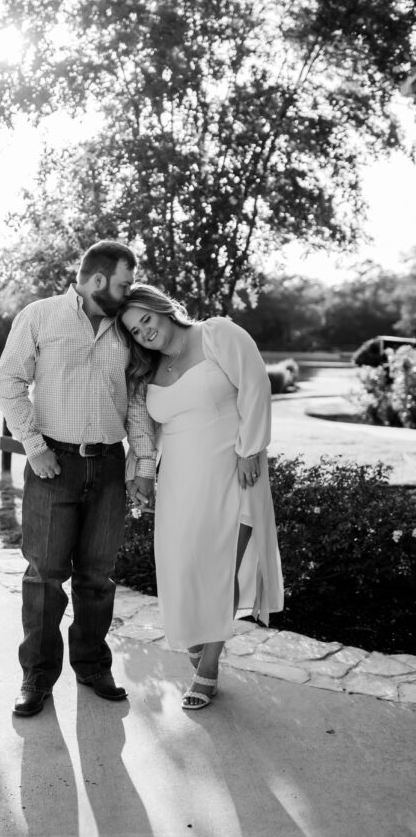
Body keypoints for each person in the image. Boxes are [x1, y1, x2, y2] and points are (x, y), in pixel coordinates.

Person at [0, 242, 157, 717]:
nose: (129, 292)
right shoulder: (40, 316)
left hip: (107, 466)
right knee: (44, 577)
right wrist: (35, 447)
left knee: (98, 578)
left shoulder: (125, 329)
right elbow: (8, 383)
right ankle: (37, 677)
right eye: (125, 283)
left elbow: (135, 403)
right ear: (98, 279)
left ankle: (92, 666)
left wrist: (143, 467)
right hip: (53, 465)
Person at [117, 284, 283, 710]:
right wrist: (140, 473)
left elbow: (255, 386)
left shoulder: (217, 334)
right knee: (179, 567)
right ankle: (199, 642)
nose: (144, 333)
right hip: (179, 485)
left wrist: (251, 449)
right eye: (135, 331)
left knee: (221, 568)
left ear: (164, 310)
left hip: (232, 472)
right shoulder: (148, 370)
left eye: (146, 320)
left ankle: (208, 668)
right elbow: (147, 433)